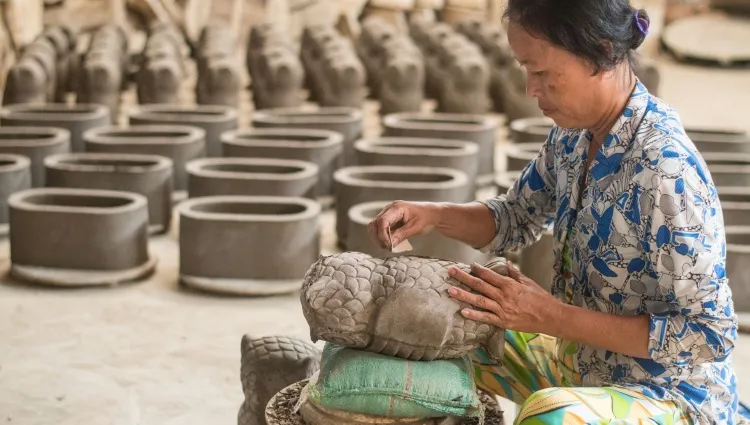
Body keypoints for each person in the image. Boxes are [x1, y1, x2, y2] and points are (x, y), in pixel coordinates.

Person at [368, 1, 746, 424]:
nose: (530, 89)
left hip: (667, 393)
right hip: (580, 360)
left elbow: (707, 335)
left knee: (551, 417)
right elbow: (514, 218)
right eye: (525, 69)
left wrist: (550, 316)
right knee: (429, 323)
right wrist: (434, 213)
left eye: (543, 73)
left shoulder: (666, 171)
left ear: (600, 54)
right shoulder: (574, 137)